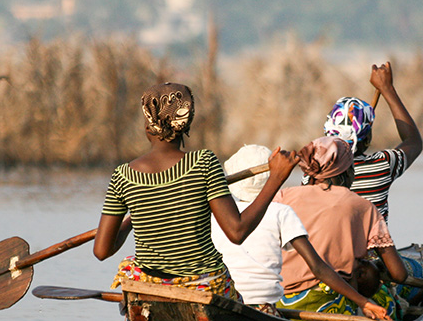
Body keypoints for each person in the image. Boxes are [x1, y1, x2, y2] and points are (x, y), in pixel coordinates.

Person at [92, 82, 298, 299]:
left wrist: (133, 218)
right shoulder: (203, 163)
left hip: (148, 285)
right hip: (202, 285)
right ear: (186, 124)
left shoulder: (123, 175)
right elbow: (237, 233)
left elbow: (102, 251)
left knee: (131, 265)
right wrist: (275, 178)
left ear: (147, 126)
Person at [210, 144, 390, 321]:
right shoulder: (281, 211)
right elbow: (318, 268)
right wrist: (364, 303)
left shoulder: (215, 215)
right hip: (263, 308)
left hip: (228, 302)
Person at [274, 136, 408, 321]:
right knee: (387, 302)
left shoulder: (283, 196)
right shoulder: (365, 207)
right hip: (329, 306)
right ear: (346, 171)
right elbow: (399, 274)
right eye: (352, 168)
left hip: (277, 301)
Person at [322, 61, 422, 222]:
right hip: (374, 246)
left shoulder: (312, 173)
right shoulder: (382, 165)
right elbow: (413, 141)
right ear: (367, 138)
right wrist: (387, 89)